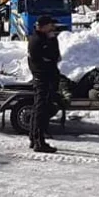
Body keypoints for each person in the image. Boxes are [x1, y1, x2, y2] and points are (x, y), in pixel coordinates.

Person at [27, 14, 61, 153]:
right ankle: (39, 141)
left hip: (47, 77)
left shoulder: (44, 38)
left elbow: (56, 56)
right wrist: (52, 41)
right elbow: (51, 56)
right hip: (43, 78)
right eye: (50, 25)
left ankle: (34, 137)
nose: (52, 27)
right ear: (44, 26)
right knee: (42, 109)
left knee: (41, 108)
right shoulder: (38, 40)